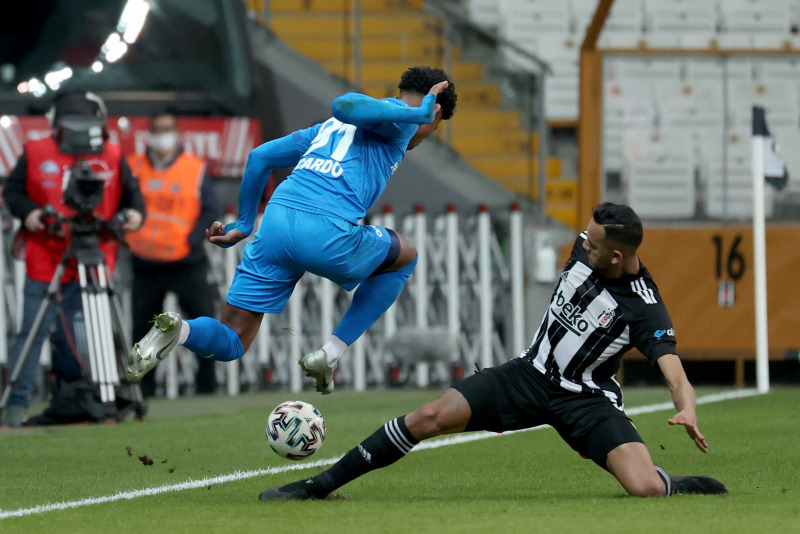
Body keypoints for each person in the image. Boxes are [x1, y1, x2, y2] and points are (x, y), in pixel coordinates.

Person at [258, 203, 728, 501]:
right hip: (528, 375)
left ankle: (674, 483)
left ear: (618, 257)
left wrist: (687, 408)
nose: (584, 244)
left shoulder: (644, 307)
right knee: (429, 415)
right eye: (585, 236)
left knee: (644, 488)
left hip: (587, 399)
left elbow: (674, 373)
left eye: (594, 243)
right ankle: (318, 486)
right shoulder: (587, 250)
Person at [126, 66, 457, 395]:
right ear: (436, 112)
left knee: (233, 340)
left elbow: (260, 157)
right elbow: (342, 104)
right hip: (326, 232)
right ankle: (331, 353)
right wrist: (419, 113)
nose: (428, 134)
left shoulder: (327, 130)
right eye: (435, 126)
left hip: (276, 224)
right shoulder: (404, 117)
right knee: (406, 256)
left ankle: (181, 331)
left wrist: (244, 223)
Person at [1, 90, 145, 427]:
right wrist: (30, 213)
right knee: (32, 332)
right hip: (46, 256)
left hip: (94, 257)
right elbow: (13, 193)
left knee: (89, 335)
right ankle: (16, 404)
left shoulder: (111, 153)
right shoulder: (36, 151)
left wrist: (135, 215)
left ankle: (96, 399)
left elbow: (133, 196)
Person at [125, 113, 221, 397]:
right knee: (143, 332)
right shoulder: (133, 167)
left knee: (203, 325)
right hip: (145, 263)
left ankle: (207, 388)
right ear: (148, 134)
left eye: (167, 130)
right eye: (157, 130)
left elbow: (211, 210)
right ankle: (143, 391)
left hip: (186, 262)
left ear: (177, 133)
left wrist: (191, 241)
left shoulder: (194, 168)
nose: (162, 136)